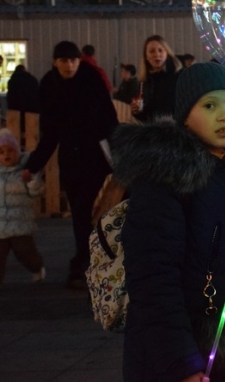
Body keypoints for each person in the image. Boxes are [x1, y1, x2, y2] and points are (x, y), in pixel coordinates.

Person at [114, 62, 225, 381]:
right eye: (210, 105)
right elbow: (154, 278)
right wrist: (181, 362)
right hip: (193, 355)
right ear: (185, 114)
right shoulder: (165, 177)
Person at [22, 41, 117, 288]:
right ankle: (84, 260)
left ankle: (86, 262)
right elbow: (50, 132)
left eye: (73, 60)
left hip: (95, 155)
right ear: (55, 62)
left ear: (79, 60)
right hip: (71, 157)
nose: (69, 65)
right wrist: (33, 165)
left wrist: (119, 151)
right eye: (64, 60)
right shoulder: (49, 85)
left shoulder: (91, 79)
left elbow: (109, 118)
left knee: (85, 207)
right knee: (78, 212)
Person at [0, 129, 46, 286]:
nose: (6, 155)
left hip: (20, 223)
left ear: (17, 151)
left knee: (25, 253)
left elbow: (36, 192)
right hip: (0, 226)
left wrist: (31, 180)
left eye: (10, 151)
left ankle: (36, 267)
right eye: (1, 152)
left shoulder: (25, 170)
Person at [132, 35, 182, 122]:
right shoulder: (144, 82)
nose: (157, 54)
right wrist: (137, 111)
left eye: (160, 50)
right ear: (146, 57)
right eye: (152, 51)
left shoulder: (179, 76)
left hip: (176, 130)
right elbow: (146, 116)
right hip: (154, 131)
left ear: (167, 53)